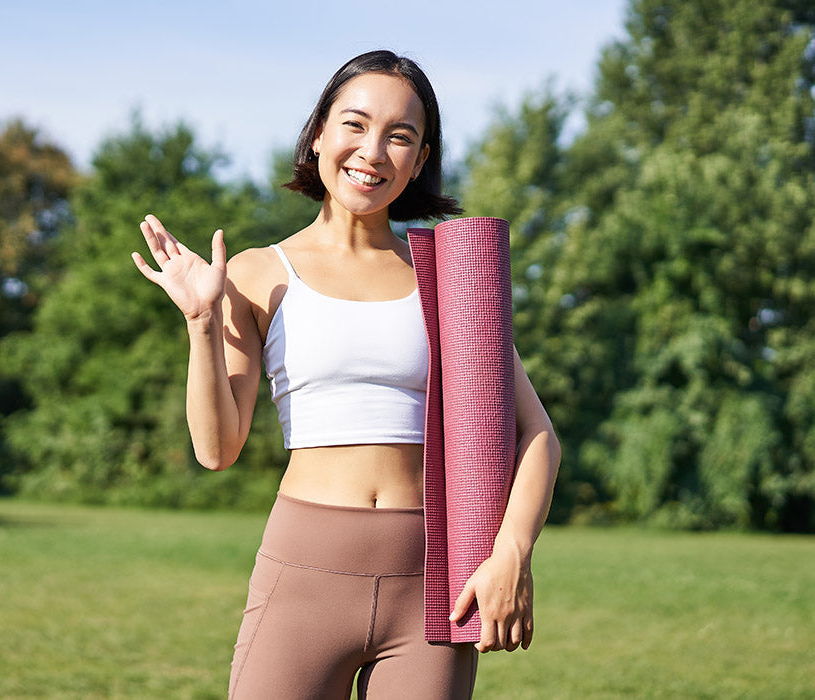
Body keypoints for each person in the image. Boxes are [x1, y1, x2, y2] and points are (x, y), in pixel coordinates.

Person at [132, 50, 560, 700]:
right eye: (354, 124)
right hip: (303, 576)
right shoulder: (257, 273)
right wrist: (200, 321)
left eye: (400, 136)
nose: (373, 151)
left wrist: (512, 553)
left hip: (430, 587)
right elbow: (217, 450)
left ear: (420, 159)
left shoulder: (449, 275)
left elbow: (537, 435)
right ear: (318, 135)